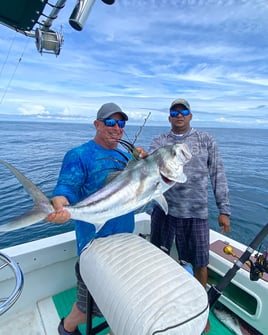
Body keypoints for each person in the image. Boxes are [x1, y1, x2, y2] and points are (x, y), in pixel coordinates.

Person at [46, 102, 146, 335]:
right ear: (97, 124)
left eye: (121, 123)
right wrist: (59, 205)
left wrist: (144, 159)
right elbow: (65, 190)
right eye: (110, 122)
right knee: (87, 307)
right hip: (94, 245)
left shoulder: (124, 155)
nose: (117, 128)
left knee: (118, 300)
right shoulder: (79, 155)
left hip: (123, 241)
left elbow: (138, 185)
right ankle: (66, 327)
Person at [149, 98, 231, 334]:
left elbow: (218, 174)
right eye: (174, 112)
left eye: (183, 111)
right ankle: (160, 306)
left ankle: (200, 313)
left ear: (190, 115)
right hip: (163, 210)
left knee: (200, 263)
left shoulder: (205, 139)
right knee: (158, 259)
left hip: (196, 213)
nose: (179, 115)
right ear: (169, 118)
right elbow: (148, 172)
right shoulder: (159, 141)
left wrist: (224, 209)